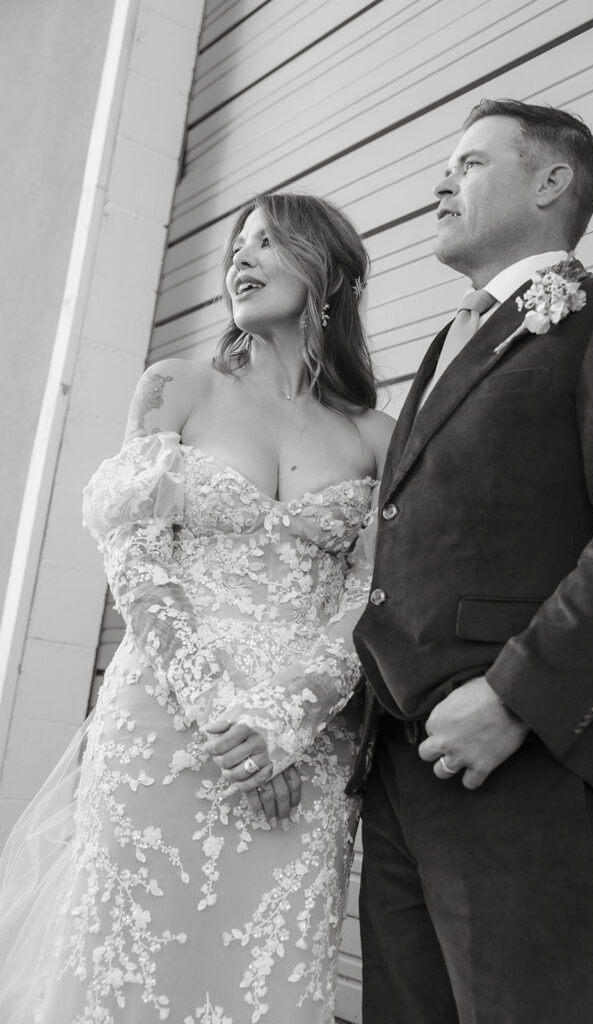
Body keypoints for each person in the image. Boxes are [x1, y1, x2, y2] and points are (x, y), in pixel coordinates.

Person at [0, 191, 394, 1024]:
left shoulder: (376, 437)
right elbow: (135, 559)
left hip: (303, 745)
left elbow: (368, 599)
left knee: (264, 968)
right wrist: (226, 716)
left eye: (267, 244)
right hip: (168, 722)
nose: (238, 261)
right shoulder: (176, 385)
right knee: (131, 957)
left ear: (328, 274)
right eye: (235, 246)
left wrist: (282, 726)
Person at [349, 99, 593, 1024]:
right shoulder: (441, 343)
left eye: (468, 161)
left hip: (526, 760)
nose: (438, 181)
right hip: (401, 757)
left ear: (550, 181)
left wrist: (512, 701)